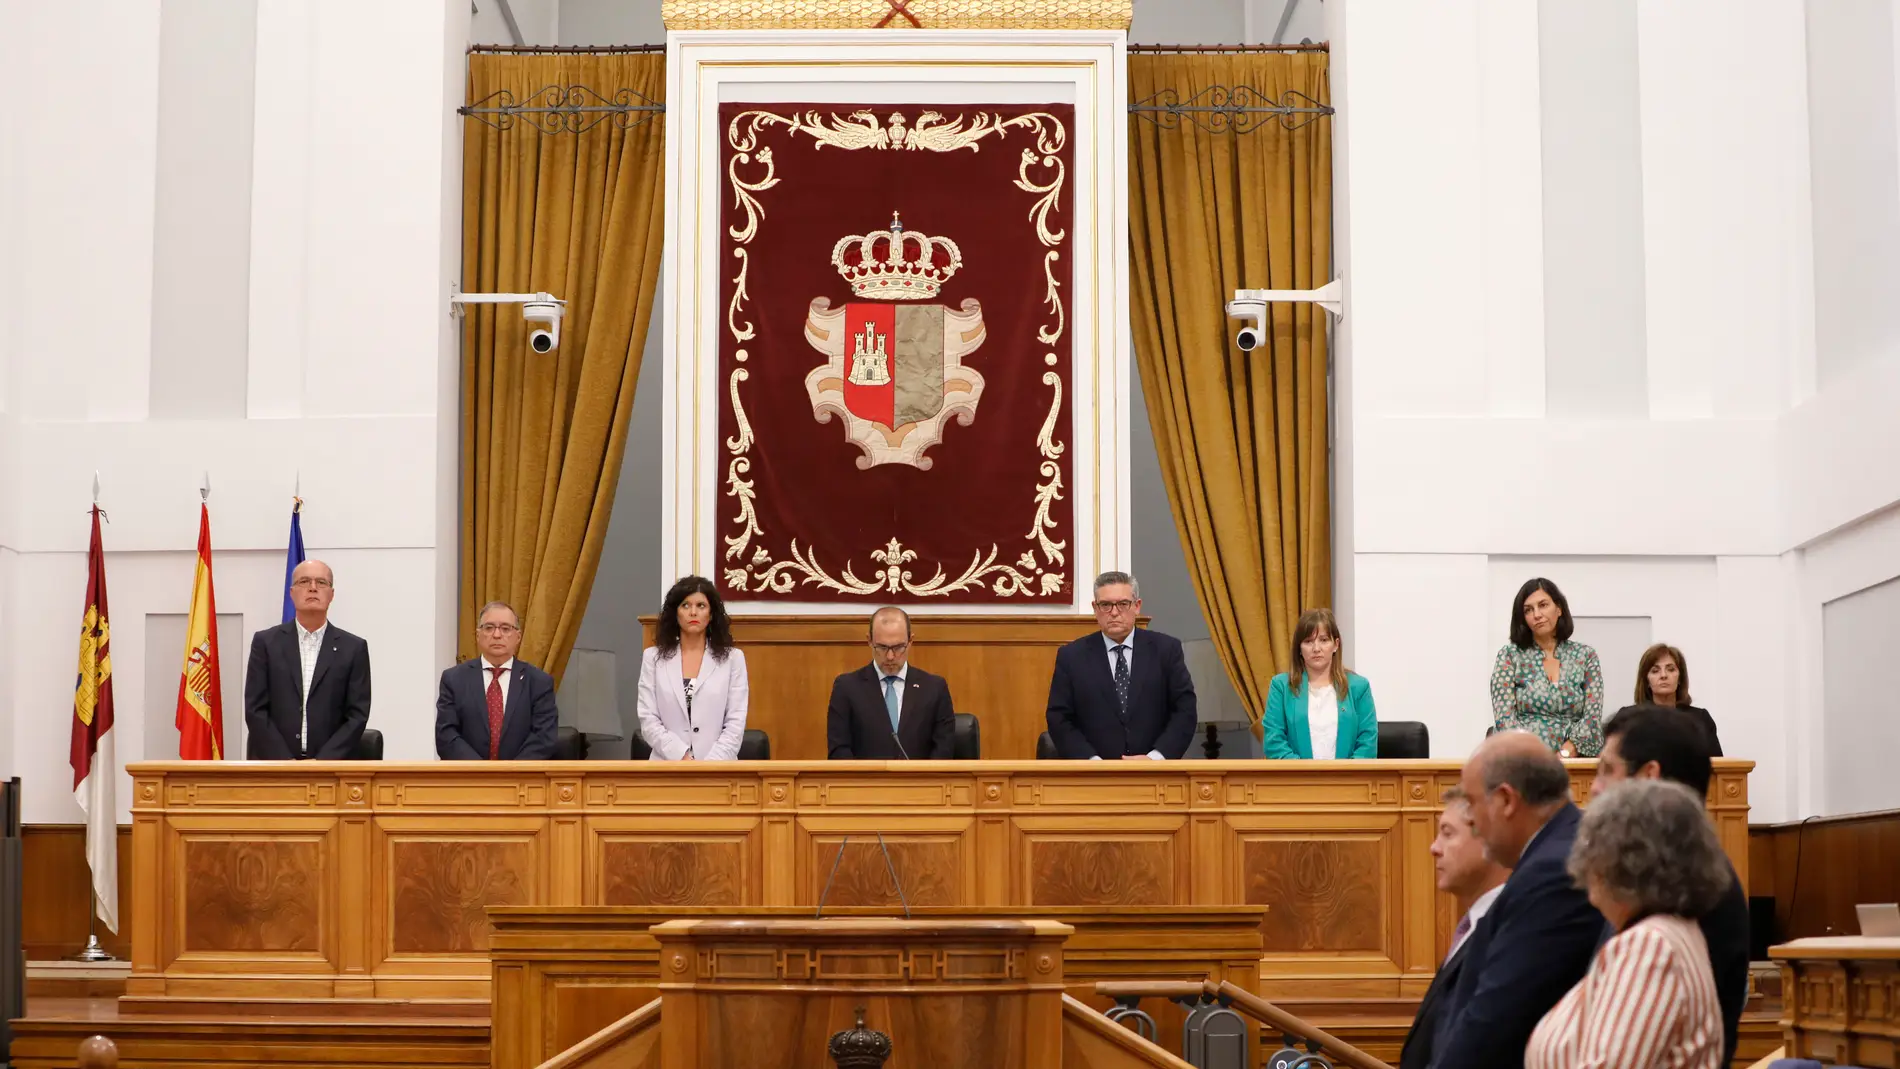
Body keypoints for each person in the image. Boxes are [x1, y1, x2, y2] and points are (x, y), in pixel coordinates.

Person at [1428, 732, 1604, 1069]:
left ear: (1506, 800)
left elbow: (1495, 1021)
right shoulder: (1555, 852)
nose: (1474, 824)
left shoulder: (1553, 873)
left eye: (1474, 804)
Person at [1526, 779, 1729, 1069]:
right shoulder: (1669, 932)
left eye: (1593, 844)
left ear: (1625, 860)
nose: (1584, 859)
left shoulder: (1650, 946)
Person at [1593, 704, 1748, 1065]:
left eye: (1606, 771)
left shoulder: (1684, 889)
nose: (1595, 789)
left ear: (1648, 776)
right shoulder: (1653, 873)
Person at [1399, 785, 1510, 1069]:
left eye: (1448, 834)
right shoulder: (1474, 925)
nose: (1434, 847)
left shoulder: (1506, 932)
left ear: (1487, 838)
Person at [1045, 571, 1197, 760]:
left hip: (1156, 775)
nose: (1114, 612)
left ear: (1137, 606)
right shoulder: (1071, 656)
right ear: (1095, 608)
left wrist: (1155, 759)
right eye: (1106, 605)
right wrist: (1092, 762)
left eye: (1123, 604)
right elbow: (1059, 718)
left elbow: (1185, 710)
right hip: (1094, 776)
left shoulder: (1166, 650)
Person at [244, 559, 372, 760]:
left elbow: (357, 716)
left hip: (331, 771)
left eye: (321, 583)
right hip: (275, 769)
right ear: (292, 592)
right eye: (304, 582)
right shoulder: (266, 643)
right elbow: (255, 710)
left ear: (332, 595)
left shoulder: (354, 648)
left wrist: (321, 763)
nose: (313, 588)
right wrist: (286, 763)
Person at [1489, 578, 1604, 758]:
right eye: (1528, 610)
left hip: (1576, 757)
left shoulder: (1586, 655)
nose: (1537, 614)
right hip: (1522, 759)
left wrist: (1566, 753)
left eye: (1543, 605)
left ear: (1559, 609)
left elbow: (1592, 717)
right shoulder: (1510, 655)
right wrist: (1534, 758)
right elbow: (1505, 719)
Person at [637, 576, 748, 761]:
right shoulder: (653, 658)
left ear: (711, 614)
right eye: (686, 605)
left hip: (719, 771)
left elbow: (735, 722)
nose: (693, 612)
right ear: (675, 613)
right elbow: (648, 719)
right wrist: (682, 757)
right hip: (666, 767)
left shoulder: (733, 659)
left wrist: (707, 766)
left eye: (701, 606)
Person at [434, 601, 558, 760]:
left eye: (506, 628)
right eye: (489, 628)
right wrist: (483, 773)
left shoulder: (539, 682)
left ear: (517, 637)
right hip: (469, 779)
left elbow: (544, 737)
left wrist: (510, 775)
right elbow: (446, 735)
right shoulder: (454, 679)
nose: (497, 635)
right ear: (478, 635)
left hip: (521, 780)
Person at [827, 607, 955, 760]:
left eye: (898, 647)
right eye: (882, 647)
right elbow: (839, 751)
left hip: (921, 782)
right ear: (869, 641)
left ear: (910, 641)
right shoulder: (846, 688)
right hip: (865, 783)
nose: (890, 656)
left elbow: (943, 750)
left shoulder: (934, 688)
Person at [1261, 608, 1378, 759]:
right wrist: (1307, 776)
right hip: (1297, 780)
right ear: (1299, 648)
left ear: (1335, 645)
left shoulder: (1359, 687)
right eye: (1308, 641)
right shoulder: (1281, 687)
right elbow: (1274, 742)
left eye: (1323, 640)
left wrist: (1345, 777)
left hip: (1348, 781)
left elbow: (1367, 743)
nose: (1316, 648)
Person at [1633, 643, 1722, 756]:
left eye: (1671, 669)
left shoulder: (1700, 719)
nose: (1663, 675)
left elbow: (1719, 766)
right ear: (1646, 681)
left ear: (1680, 678)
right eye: (1655, 671)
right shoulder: (1629, 720)